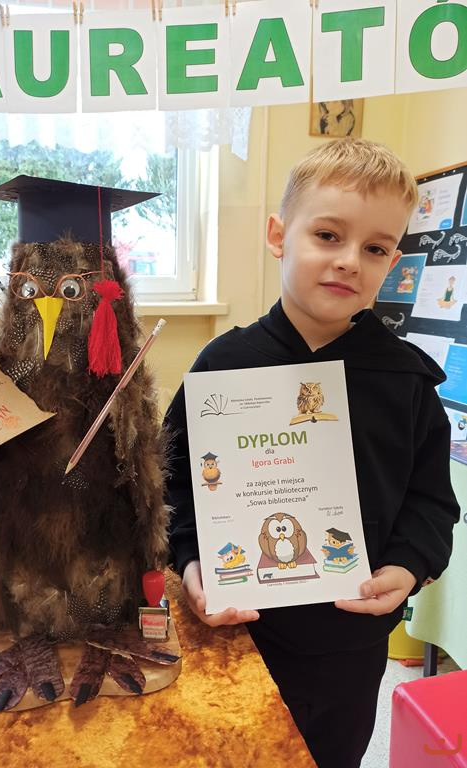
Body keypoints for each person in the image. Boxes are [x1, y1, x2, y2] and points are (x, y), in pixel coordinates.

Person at [163, 138, 460, 768]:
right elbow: (172, 487)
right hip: (238, 631)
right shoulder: (221, 366)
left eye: (375, 249)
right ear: (279, 235)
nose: (349, 261)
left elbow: (433, 503)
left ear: (393, 262)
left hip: (348, 643)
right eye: (328, 235)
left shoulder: (406, 380)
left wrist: (407, 567)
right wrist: (190, 565)